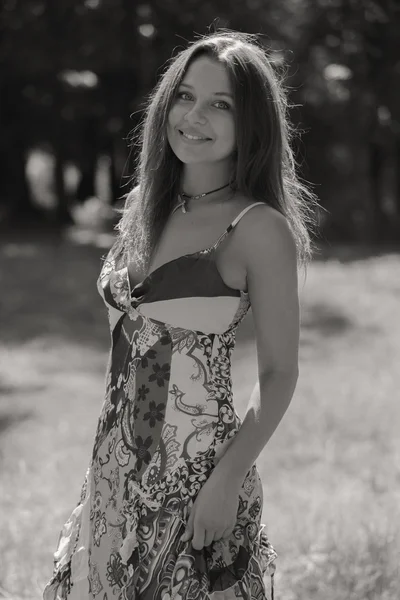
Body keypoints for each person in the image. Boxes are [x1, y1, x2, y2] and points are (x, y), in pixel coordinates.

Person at [43, 29, 319, 600]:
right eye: (185, 96)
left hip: (195, 477)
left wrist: (227, 481)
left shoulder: (259, 228)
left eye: (221, 104)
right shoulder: (146, 204)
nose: (194, 116)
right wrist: (110, 472)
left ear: (253, 123)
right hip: (113, 468)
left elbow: (280, 374)